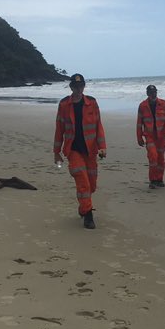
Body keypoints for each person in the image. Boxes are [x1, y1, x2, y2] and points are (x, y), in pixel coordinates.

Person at [53, 74, 107, 229]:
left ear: (84, 86)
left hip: (90, 150)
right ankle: (88, 215)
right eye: (75, 86)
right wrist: (56, 152)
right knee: (83, 182)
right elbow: (59, 129)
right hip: (73, 150)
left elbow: (98, 126)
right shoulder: (64, 104)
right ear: (71, 87)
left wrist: (102, 146)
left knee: (91, 185)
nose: (78, 89)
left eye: (81, 86)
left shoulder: (92, 102)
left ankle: (83, 208)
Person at [136, 83, 165, 188]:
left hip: (161, 136)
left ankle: (159, 179)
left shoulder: (163, 103)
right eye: (151, 92)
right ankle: (153, 180)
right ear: (147, 93)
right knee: (153, 157)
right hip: (149, 136)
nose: (153, 94)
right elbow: (139, 123)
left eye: (154, 92)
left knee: (160, 159)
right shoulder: (142, 106)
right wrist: (139, 137)